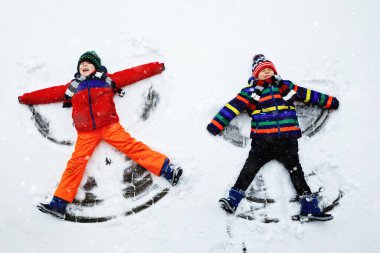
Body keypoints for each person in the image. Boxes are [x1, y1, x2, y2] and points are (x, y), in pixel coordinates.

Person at [18, 51, 183, 219]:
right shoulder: (73, 86)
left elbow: (133, 74)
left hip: (109, 126)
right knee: (76, 163)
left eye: (88, 63)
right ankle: (59, 203)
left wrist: (155, 67)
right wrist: (26, 98)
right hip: (86, 133)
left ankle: (168, 170)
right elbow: (49, 93)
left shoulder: (106, 80)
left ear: (95, 66)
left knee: (132, 147)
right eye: (81, 64)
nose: (84, 66)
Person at [207, 54, 339, 221]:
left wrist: (329, 101)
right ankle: (233, 199)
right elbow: (232, 107)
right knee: (249, 169)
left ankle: (309, 207)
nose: (267, 72)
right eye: (263, 71)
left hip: (287, 140)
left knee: (296, 172)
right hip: (262, 141)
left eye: (270, 69)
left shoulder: (285, 88)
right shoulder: (250, 92)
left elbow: (308, 95)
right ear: (256, 75)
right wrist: (217, 124)